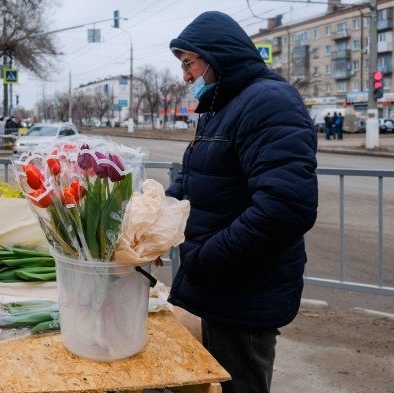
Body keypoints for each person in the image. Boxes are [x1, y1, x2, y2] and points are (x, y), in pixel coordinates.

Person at [165, 12, 318, 393]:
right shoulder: (221, 107)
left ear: (214, 55)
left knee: (240, 383)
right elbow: (196, 176)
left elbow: (285, 207)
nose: (185, 76)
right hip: (222, 285)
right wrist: (157, 217)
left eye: (188, 63)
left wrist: (205, 258)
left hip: (245, 290)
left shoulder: (268, 102)